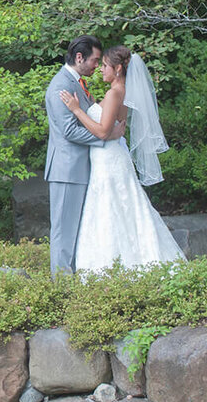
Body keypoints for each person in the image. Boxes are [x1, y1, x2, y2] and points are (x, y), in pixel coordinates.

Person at [59, 45, 184, 272]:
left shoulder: (115, 92)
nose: (100, 70)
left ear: (117, 69)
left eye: (105, 66)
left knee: (110, 207)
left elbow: (102, 132)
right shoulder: (121, 91)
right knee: (121, 206)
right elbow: (111, 129)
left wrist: (77, 110)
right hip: (110, 155)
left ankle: (112, 266)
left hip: (108, 159)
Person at [43, 35, 121, 276]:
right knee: (63, 230)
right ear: (79, 57)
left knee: (77, 229)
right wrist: (104, 137)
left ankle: (75, 277)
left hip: (81, 168)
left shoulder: (77, 83)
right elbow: (68, 130)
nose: (97, 66)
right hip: (66, 169)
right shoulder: (61, 85)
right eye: (95, 60)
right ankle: (62, 284)